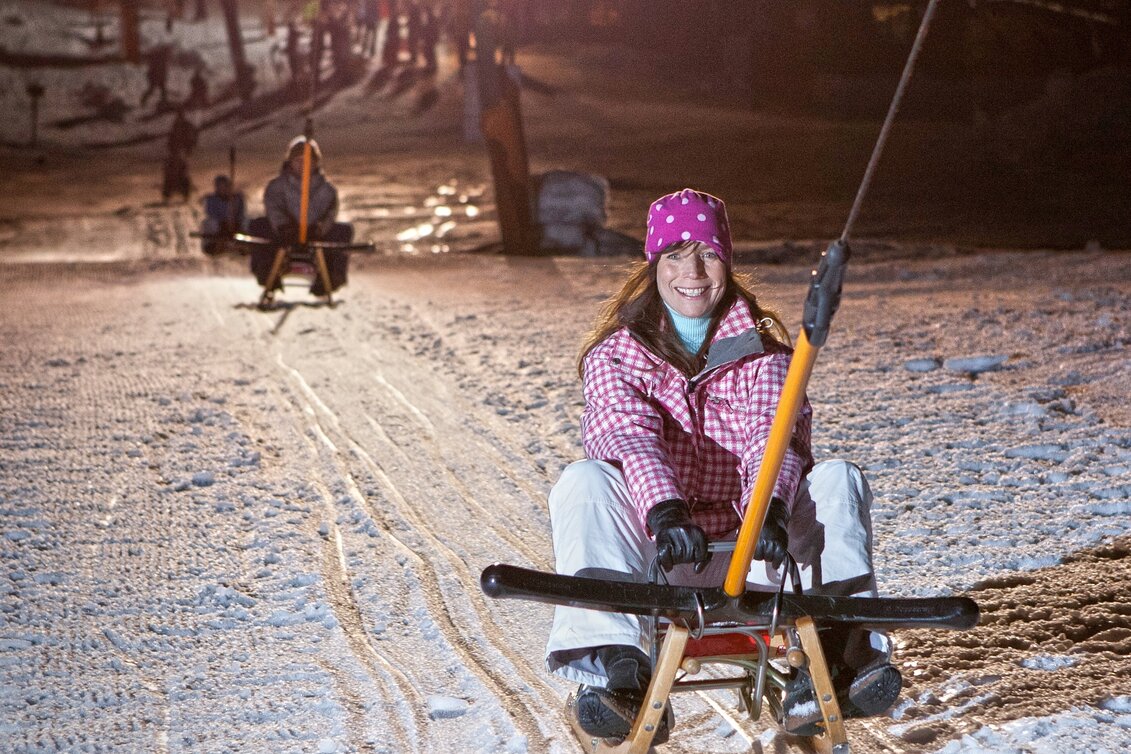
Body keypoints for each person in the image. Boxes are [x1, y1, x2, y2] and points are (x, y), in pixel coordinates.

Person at [544, 188, 902, 742]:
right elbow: (627, 436)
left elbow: (773, 439)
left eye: (707, 253)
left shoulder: (766, 356)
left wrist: (771, 513)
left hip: (758, 550)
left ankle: (837, 656)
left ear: (727, 262)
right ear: (654, 265)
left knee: (837, 478)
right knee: (584, 481)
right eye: (675, 255)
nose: (693, 271)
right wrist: (665, 511)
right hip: (658, 561)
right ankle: (620, 675)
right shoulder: (616, 356)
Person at [248, 136, 352, 296]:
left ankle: (329, 280)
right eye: (298, 160)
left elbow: (330, 214)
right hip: (284, 233)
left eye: (308, 160)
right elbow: (273, 209)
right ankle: (268, 276)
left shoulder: (328, 190)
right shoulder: (276, 186)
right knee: (257, 227)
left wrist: (320, 228)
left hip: (316, 234)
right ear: (290, 162)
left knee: (344, 232)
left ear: (316, 162)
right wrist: (284, 226)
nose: (303, 165)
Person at [200, 175, 246, 254]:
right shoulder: (211, 199)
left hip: (235, 224)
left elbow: (241, 212)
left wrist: (234, 218)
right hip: (219, 225)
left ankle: (243, 245)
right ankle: (212, 245)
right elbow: (211, 213)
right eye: (220, 186)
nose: (223, 189)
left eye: (225, 186)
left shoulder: (237, 198)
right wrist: (224, 221)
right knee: (208, 223)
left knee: (247, 222)